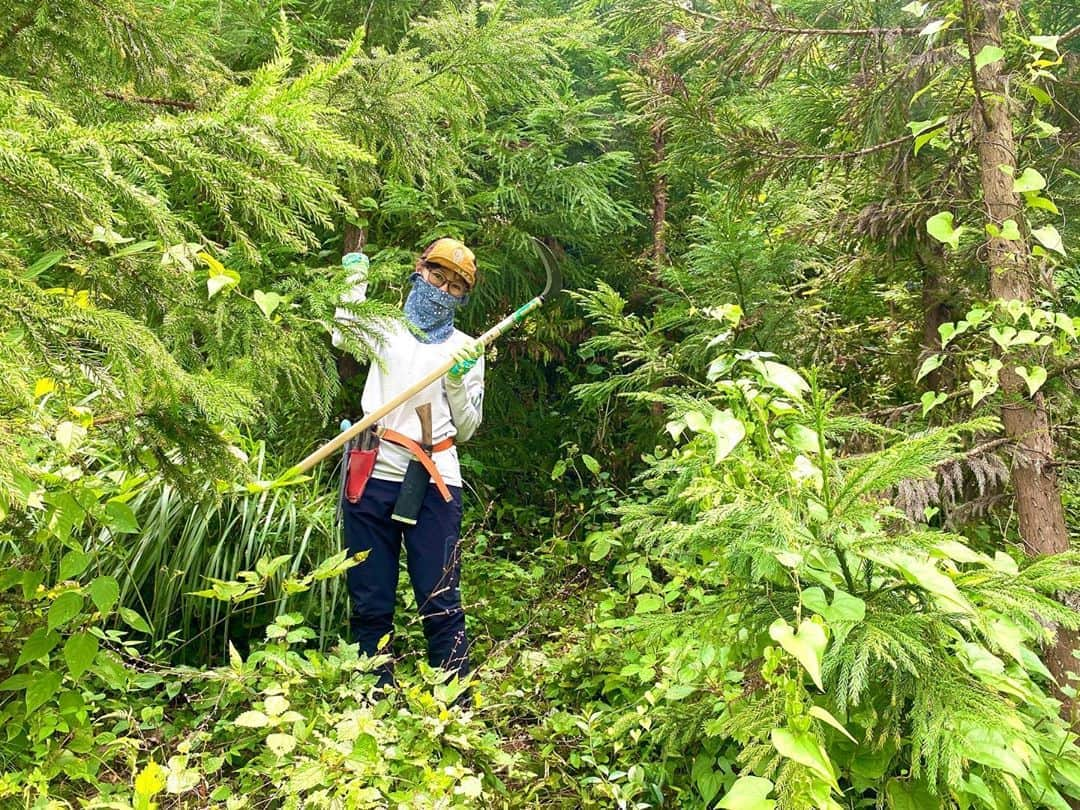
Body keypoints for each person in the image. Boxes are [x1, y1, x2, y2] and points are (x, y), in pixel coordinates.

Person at [331, 237, 484, 692]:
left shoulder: (467, 348)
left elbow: (469, 426)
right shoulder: (387, 326)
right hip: (373, 471)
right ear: (420, 270)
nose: (443, 289)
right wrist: (353, 277)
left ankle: (453, 706)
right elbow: (343, 330)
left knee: (440, 599)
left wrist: (457, 382)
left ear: (463, 297)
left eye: (456, 286)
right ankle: (372, 699)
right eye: (438, 276)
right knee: (370, 599)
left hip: (436, 479)